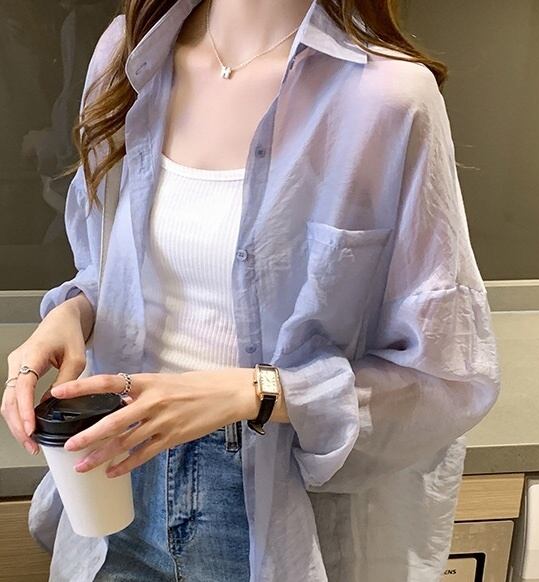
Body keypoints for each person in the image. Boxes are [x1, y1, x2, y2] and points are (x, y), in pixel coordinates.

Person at [1, 0, 501, 580]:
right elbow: (120, 269)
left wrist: (259, 392)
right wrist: (74, 313)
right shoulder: (128, 55)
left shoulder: (386, 96)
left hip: (274, 503)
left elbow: (447, 377)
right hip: (111, 471)